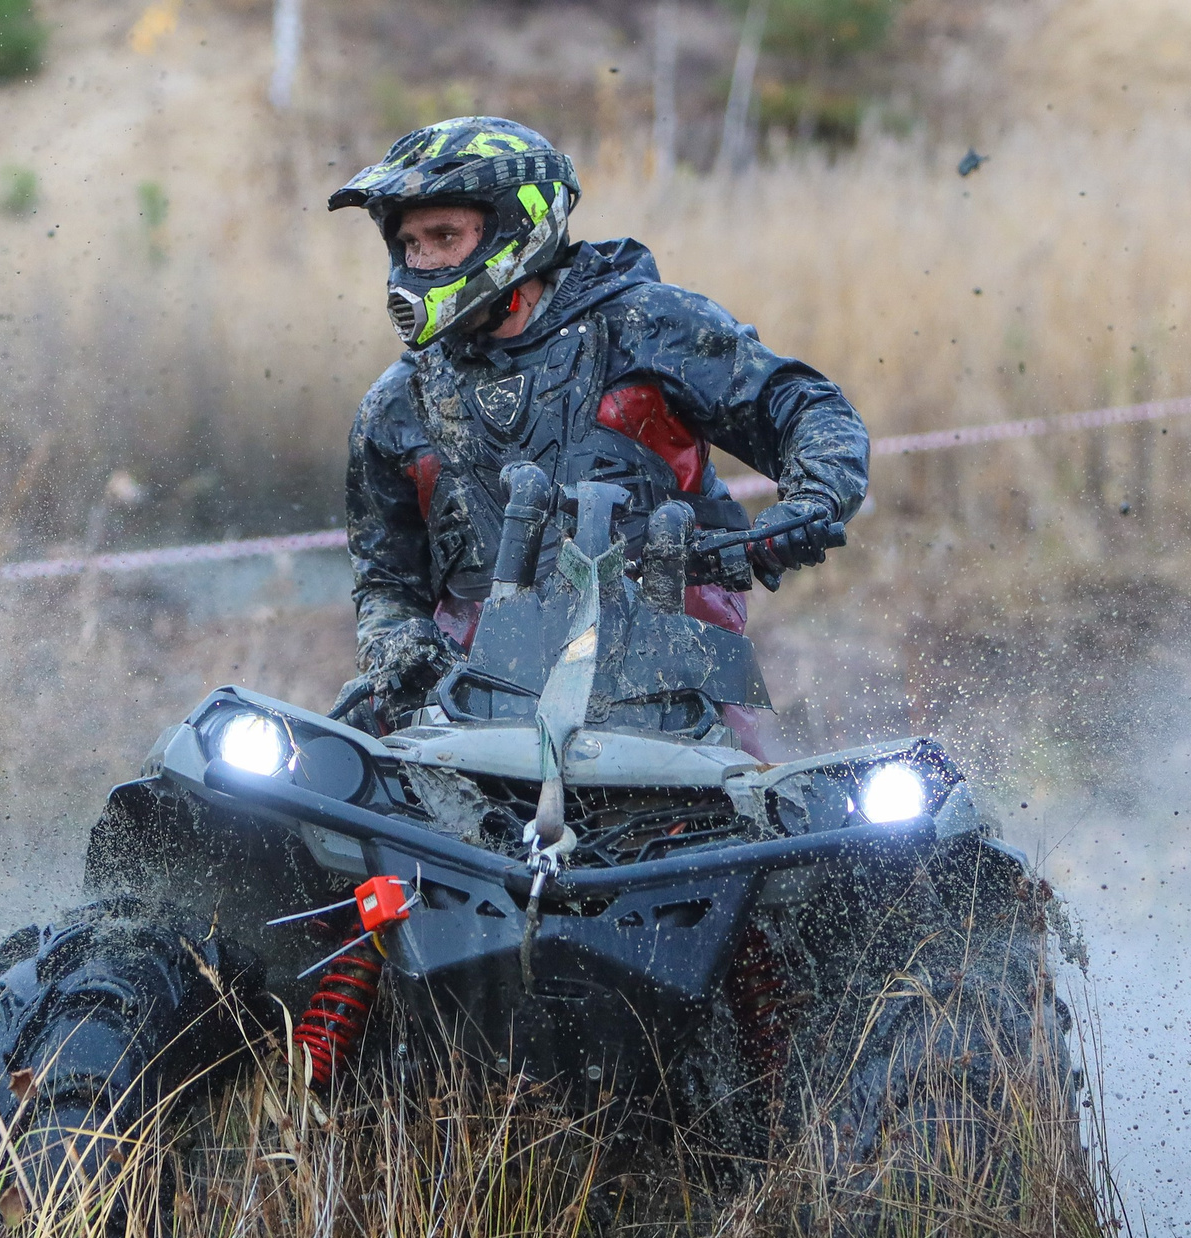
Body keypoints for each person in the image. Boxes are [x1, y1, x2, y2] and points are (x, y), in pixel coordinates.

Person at [331, 116, 868, 758]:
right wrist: (397, 642)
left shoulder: (649, 326)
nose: (420, 262)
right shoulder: (397, 405)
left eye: (444, 236)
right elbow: (385, 577)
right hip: (467, 706)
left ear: (516, 227)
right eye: (409, 243)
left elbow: (801, 405)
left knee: (793, 831)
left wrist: (812, 501)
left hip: (674, 691)